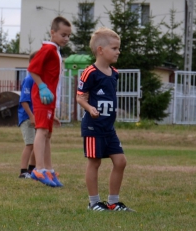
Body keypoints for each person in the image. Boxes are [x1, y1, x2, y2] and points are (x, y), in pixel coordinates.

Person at [76, 28, 133, 212]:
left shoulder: (114, 73)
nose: (118, 52)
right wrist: (90, 108)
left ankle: (113, 202)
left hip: (109, 128)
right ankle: (93, 203)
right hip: (93, 127)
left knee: (120, 161)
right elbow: (79, 97)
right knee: (95, 162)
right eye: (115, 48)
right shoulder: (90, 72)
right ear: (101, 50)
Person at [28, 16, 72, 187]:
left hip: (50, 101)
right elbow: (32, 69)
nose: (66, 38)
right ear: (52, 32)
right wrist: (41, 87)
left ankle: (49, 169)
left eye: (68, 36)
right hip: (43, 98)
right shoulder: (48, 49)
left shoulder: (56, 51)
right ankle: (39, 169)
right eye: (63, 35)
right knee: (41, 131)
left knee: (48, 134)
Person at [17, 51, 38, 178]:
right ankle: (23, 171)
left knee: (37, 144)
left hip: (36, 116)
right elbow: (24, 100)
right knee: (30, 144)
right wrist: (31, 116)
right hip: (27, 117)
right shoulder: (29, 79)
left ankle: (32, 170)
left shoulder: (37, 80)